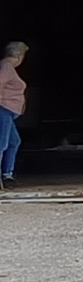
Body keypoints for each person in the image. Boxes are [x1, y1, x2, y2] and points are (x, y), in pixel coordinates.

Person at [0, 40, 26, 186]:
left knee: (13, 141)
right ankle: (4, 175)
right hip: (4, 109)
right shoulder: (6, 66)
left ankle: (7, 174)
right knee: (2, 142)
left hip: (8, 110)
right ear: (19, 56)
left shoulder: (7, 67)